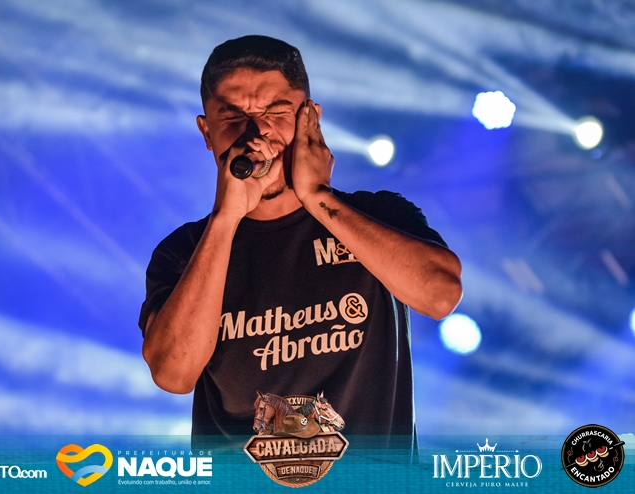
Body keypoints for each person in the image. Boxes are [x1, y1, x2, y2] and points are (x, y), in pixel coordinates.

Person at [139, 35, 462, 448]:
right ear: (206, 131)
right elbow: (173, 374)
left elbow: (441, 296)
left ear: (310, 117)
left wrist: (318, 197)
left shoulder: (378, 214)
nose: (256, 133)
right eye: (233, 116)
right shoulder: (184, 250)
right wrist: (226, 219)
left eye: (276, 112)